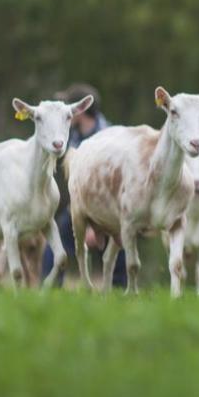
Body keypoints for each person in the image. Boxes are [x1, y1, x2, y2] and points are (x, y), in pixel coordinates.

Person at [41, 83, 127, 288]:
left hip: (110, 205)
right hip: (80, 202)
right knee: (59, 234)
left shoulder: (109, 137)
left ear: (80, 111)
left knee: (122, 240)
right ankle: (50, 286)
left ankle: (119, 288)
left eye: (70, 110)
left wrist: (94, 218)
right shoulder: (73, 136)